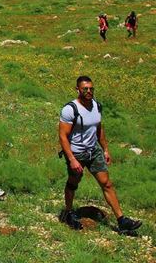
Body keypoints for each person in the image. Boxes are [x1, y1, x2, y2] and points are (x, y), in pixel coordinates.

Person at [59, 76, 142, 234]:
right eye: (85, 89)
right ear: (78, 89)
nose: (89, 91)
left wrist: (105, 149)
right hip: (77, 152)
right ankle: (68, 212)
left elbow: (99, 128)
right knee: (73, 182)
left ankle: (122, 220)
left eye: (91, 89)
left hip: (94, 150)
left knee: (106, 183)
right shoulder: (70, 109)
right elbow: (63, 136)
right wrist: (71, 159)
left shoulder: (96, 106)